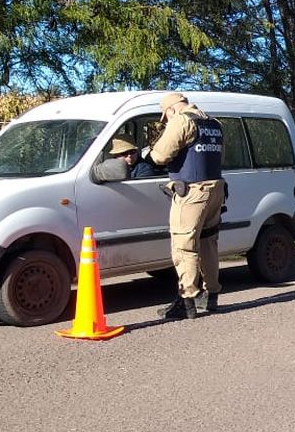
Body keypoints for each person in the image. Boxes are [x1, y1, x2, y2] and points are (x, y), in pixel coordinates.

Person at [148, 92, 227, 319]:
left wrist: (148, 155)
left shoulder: (182, 121)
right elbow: (219, 157)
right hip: (216, 188)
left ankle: (187, 300)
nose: (167, 121)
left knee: (184, 245)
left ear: (171, 110)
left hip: (192, 191)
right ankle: (211, 295)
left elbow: (161, 155)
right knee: (208, 242)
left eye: (166, 117)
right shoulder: (214, 123)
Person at [91, 136, 158, 182]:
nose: (129, 156)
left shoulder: (144, 168)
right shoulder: (110, 165)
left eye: (132, 152)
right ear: (116, 155)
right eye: (124, 153)